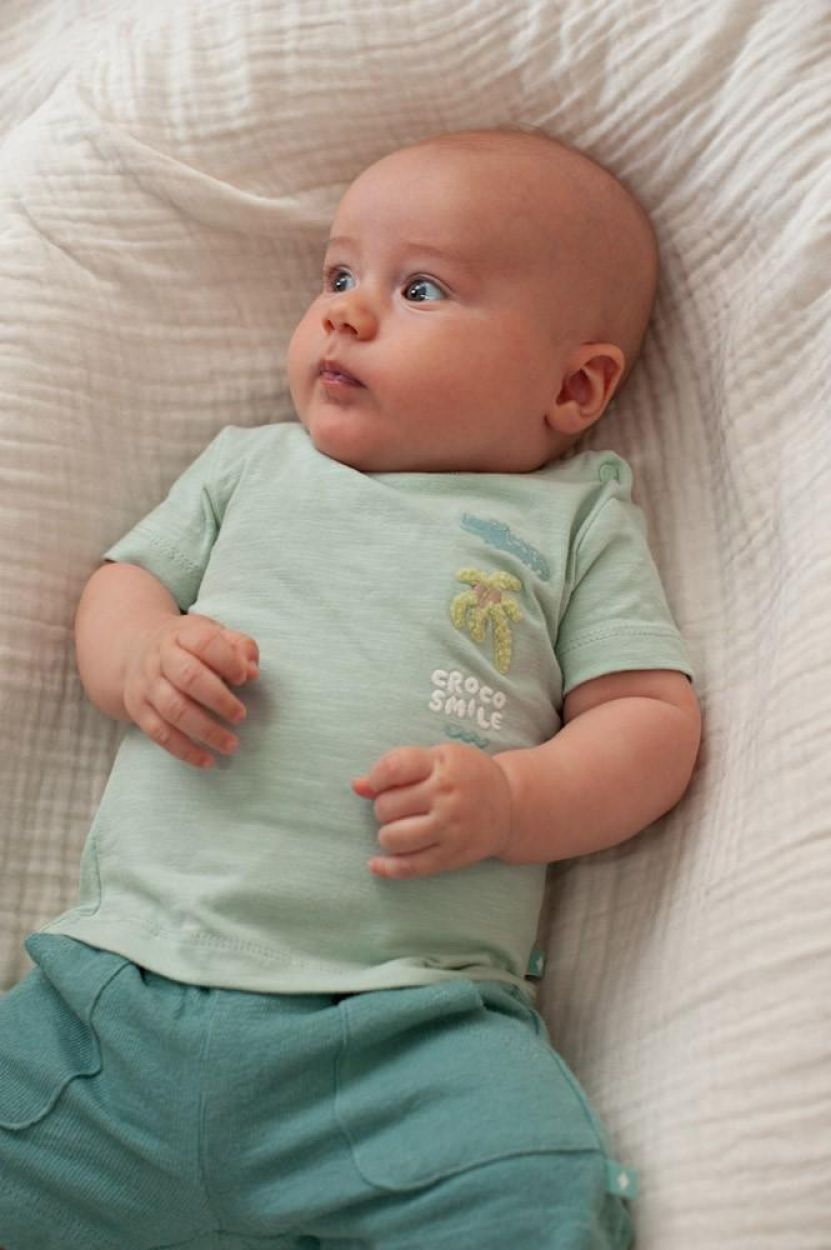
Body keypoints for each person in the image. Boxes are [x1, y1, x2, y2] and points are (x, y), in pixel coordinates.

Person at [0, 128, 701, 1250]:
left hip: (405, 1031)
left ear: (573, 386)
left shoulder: (571, 520)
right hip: (109, 1012)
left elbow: (649, 720)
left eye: (419, 289)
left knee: (530, 1188)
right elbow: (123, 583)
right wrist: (140, 658)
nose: (346, 314)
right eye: (335, 276)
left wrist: (515, 799)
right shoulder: (251, 464)